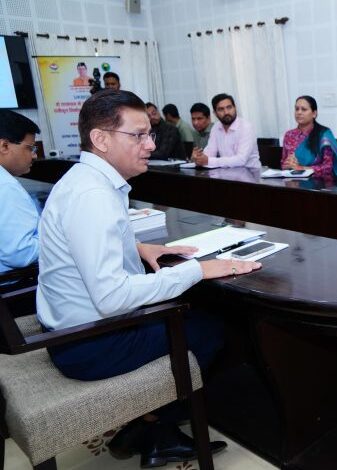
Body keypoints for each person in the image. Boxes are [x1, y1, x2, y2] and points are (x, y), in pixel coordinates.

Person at [36, 89, 261, 467]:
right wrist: (197, 270)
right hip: (87, 343)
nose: (151, 144)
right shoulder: (93, 196)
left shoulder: (85, 180)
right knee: (210, 327)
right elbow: (112, 298)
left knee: (193, 311)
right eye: (138, 135)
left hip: (70, 329)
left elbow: (86, 246)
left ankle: (148, 422)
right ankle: (156, 426)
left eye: (150, 133)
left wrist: (138, 247)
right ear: (101, 139)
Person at [0, 110, 41, 274]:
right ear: (4, 146)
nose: (34, 155)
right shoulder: (6, 186)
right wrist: (59, 239)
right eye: (30, 148)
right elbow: (21, 254)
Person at [281, 95, 337, 178]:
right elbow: (283, 163)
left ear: (314, 114)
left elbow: (328, 167)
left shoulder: (324, 135)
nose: (299, 112)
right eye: (297, 109)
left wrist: (301, 168)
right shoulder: (289, 135)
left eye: (304, 109)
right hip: (292, 181)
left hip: (318, 182)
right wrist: (287, 165)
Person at [191, 93, 261, 168]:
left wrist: (208, 161)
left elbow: (241, 160)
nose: (226, 112)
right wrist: (198, 157)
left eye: (229, 107)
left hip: (250, 172)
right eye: (221, 109)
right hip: (226, 172)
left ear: (235, 108)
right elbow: (210, 153)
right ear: (215, 113)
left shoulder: (246, 127)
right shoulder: (216, 127)